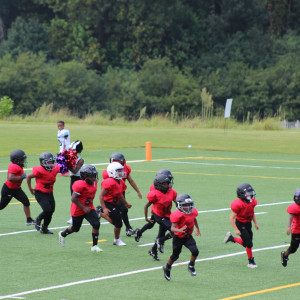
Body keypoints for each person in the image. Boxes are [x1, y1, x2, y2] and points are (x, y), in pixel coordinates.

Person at [59, 165, 103, 252]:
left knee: (96, 224)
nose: (93, 178)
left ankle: (94, 246)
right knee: (75, 229)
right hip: (78, 209)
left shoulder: (94, 182)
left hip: (89, 207)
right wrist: (83, 208)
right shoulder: (80, 184)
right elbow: (73, 198)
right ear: (84, 177)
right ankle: (62, 234)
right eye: (91, 176)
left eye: (94, 175)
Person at [102, 152, 142, 236]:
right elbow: (105, 187)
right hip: (112, 194)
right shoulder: (108, 172)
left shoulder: (126, 168)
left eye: (123, 163)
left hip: (120, 191)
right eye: (121, 164)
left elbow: (130, 180)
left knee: (123, 210)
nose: (122, 166)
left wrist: (138, 191)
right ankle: (128, 228)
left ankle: (127, 228)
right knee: (123, 210)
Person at [163, 194, 200, 281]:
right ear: (179, 205)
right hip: (178, 237)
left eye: (189, 204)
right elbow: (172, 228)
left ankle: (191, 265)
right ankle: (167, 267)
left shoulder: (193, 211)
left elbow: (194, 218)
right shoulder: (177, 215)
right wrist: (179, 230)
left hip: (187, 236)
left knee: (195, 251)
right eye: (185, 205)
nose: (188, 207)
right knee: (175, 256)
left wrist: (197, 228)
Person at [224, 183, 259, 268]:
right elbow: (231, 218)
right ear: (242, 194)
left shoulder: (253, 202)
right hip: (240, 224)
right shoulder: (238, 204)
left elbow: (252, 212)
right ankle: (251, 262)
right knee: (249, 244)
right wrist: (236, 229)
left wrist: (255, 223)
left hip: (248, 223)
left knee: (246, 243)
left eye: (250, 193)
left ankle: (231, 238)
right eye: (248, 193)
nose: (250, 195)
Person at [135, 169, 174, 242]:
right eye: (168, 179)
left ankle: (140, 232)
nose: (169, 182)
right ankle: (159, 240)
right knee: (157, 224)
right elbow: (155, 200)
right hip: (157, 209)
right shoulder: (155, 188)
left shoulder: (166, 187)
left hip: (164, 209)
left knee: (151, 224)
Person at [145, 173, 177, 261]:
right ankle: (160, 241)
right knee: (175, 231)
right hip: (159, 216)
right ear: (158, 184)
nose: (167, 185)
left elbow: (176, 201)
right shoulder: (155, 193)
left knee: (161, 234)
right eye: (164, 183)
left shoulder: (171, 192)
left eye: (167, 183)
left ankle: (153, 251)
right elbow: (146, 206)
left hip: (167, 215)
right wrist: (146, 218)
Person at [26, 152, 60, 234]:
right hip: (40, 192)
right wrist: (30, 188)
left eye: (52, 162)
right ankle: (38, 219)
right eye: (49, 162)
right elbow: (28, 177)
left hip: (49, 192)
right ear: (43, 162)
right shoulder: (39, 171)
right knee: (47, 210)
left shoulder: (55, 169)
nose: (51, 164)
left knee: (51, 211)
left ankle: (44, 228)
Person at [99, 162, 132, 246]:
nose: (122, 172)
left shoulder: (120, 182)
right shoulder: (109, 182)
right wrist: (104, 208)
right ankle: (116, 240)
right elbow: (101, 196)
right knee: (118, 223)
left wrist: (126, 203)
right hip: (108, 203)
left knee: (117, 222)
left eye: (121, 170)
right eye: (119, 171)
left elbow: (120, 194)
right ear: (112, 171)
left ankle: (101, 214)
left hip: (115, 203)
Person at [0, 149, 35, 225]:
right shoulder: (14, 166)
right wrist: (21, 177)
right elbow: (10, 178)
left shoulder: (16, 165)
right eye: (22, 160)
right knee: (1, 206)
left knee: (26, 202)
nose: (23, 161)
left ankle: (29, 220)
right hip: (8, 190)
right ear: (16, 160)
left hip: (16, 189)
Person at [66, 140, 84, 224]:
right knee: (73, 199)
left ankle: (76, 217)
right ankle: (74, 216)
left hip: (79, 180)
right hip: (73, 180)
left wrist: (67, 165)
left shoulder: (80, 160)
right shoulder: (69, 158)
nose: (71, 152)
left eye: (73, 150)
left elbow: (75, 170)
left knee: (77, 199)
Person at [281, 188, 300, 267]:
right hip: (297, 231)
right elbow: (290, 218)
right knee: (293, 248)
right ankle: (285, 255)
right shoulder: (295, 208)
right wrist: (288, 227)